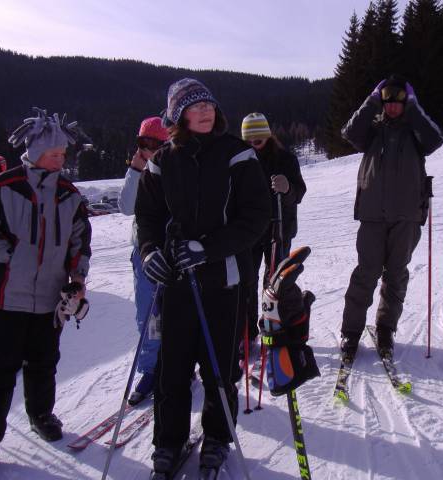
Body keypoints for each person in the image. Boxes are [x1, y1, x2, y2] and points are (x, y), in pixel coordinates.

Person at [135, 78, 271, 476]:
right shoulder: (163, 160)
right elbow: (147, 216)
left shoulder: (237, 154)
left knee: (220, 370)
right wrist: (150, 251)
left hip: (223, 280)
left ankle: (216, 437)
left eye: (208, 104)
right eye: (195, 107)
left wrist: (208, 248)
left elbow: (256, 217)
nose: (205, 111)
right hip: (176, 280)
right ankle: (168, 441)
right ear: (179, 115)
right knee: (173, 369)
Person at [0, 108, 92, 461]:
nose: (61, 160)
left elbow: (81, 240)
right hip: (8, 296)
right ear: (35, 153)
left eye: (63, 154)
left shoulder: (68, 193)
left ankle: (41, 415)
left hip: (51, 298)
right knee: (0, 366)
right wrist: (8, 255)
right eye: (54, 154)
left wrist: (78, 277)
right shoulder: (3, 186)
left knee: (44, 362)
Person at [339, 74, 443, 359]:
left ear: (406, 101)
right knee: (366, 273)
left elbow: (436, 139)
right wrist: (371, 101)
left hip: (407, 215)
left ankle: (386, 329)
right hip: (372, 214)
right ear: (382, 101)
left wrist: (414, 107)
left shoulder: (415, 131)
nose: (393, 106)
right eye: (388, 100)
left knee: (396, 274)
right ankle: (351, 332)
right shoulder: (373, 129)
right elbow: (349, 132)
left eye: (399, 100)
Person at [240, 112, 306, 345]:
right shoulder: (242, 160)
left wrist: (287, 189)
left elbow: (299, 192)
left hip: (279, 229)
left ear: (268, 136)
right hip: (249, 230)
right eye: (248, 140)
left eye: (258, 139)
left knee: (275, 281)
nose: (253, 144)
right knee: (246, 280)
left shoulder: (285, 159)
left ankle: (273, 325)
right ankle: (246, 330)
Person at [118, 116, 169, 405]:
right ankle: (151, 370)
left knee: (176, 311)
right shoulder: (139, 169)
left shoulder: (175, 166)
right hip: (144, 251)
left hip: (173, 251)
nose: (148, 150)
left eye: (154, 144)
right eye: (143, 143)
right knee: (148, 315)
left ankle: (181, 364)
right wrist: (135, 170)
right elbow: (126, 207)